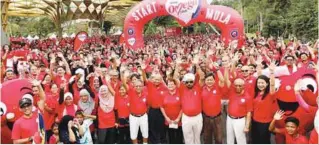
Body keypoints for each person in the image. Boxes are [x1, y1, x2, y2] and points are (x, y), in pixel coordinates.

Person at [225, 65, 253, 144]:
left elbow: (248, 113)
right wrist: (226, 67)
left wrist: (247, 126)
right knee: (229, 138)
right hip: (229, 118)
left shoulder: (247, 97)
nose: (237, 87)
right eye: (236, 85)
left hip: (240, 120)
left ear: (244, 86)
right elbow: (226, 79)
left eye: (240, 85)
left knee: (240, 139)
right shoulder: (232, 91)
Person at [251, 62, 276, 144]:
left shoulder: (270, 94)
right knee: (255, 140)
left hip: (265, 123)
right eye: (259, 83)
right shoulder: (256, 93)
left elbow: (272, 84)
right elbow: (259, 77)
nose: (260, 84)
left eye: (262, 83)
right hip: (254, 121)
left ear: (267, 84)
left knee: (264, 141)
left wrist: (272, 72)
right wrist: (258, 66)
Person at [179, 73, 203, 144]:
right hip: (186, 117)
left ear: (194, 82)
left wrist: (197, 65)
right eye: (187, 82)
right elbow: (175, 78)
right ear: (184, 83)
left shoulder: (198, 88)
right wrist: (177, 66)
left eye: (191, 82)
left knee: (197, 137)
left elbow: (201, 77)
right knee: (187, 138)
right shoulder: (182, 89)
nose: (189, 83)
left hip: (197, 117)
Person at [160, 78, 183, 144]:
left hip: (178, 120)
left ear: (175, 85)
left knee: (179, 136)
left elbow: (182, 107)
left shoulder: (180, 93)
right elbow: (161, 107)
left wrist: (178, 118)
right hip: (169, 120)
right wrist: (166, 118)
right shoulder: (164, 94)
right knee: (171, 136)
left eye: (172, 84)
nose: (170, 86)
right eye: (169, 84)